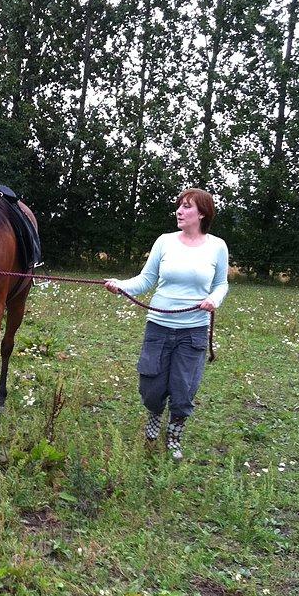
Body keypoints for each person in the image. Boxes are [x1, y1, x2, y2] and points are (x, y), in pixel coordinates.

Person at [104, 188, 229, 460]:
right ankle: (154, 415)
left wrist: (214, 299)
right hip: (158, 326)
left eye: (187, 207)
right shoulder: (164, 242)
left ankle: (174, 432)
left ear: (202, 214)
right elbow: (146, 279)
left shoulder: (217, 246)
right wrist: (120, 286)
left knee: (183, 389)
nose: (180, 211)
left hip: (193, 330)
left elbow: (221, 283)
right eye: (179, 206)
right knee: (151, 388)